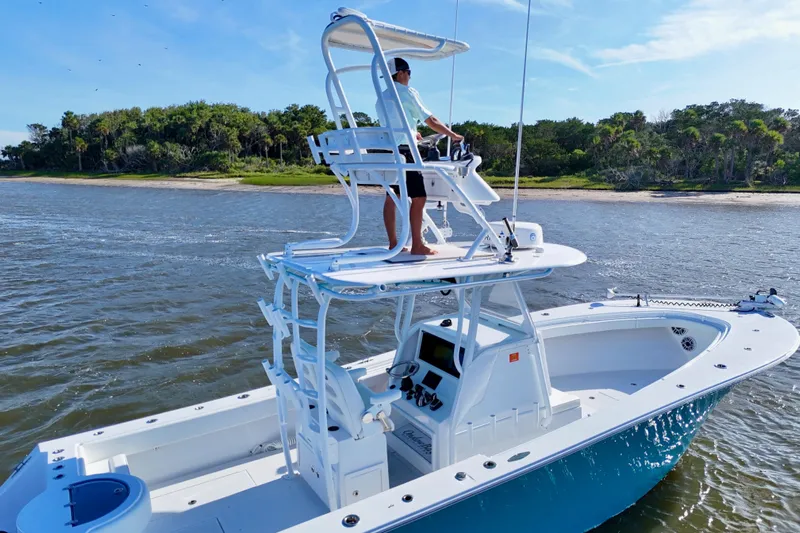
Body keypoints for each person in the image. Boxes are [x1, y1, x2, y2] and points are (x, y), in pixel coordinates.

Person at [376, 57, 463, 256]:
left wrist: (412, 132)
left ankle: (393, 243)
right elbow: (430, 120)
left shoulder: (381, 97)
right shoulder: (406, 93)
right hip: (407, 152)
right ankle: (417, 245)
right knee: (419, 197)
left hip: (390, 152)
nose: (409, 77)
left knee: (392, 197)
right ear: (401, 73)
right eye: (409, 73)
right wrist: (453, 135)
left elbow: (394, 125)